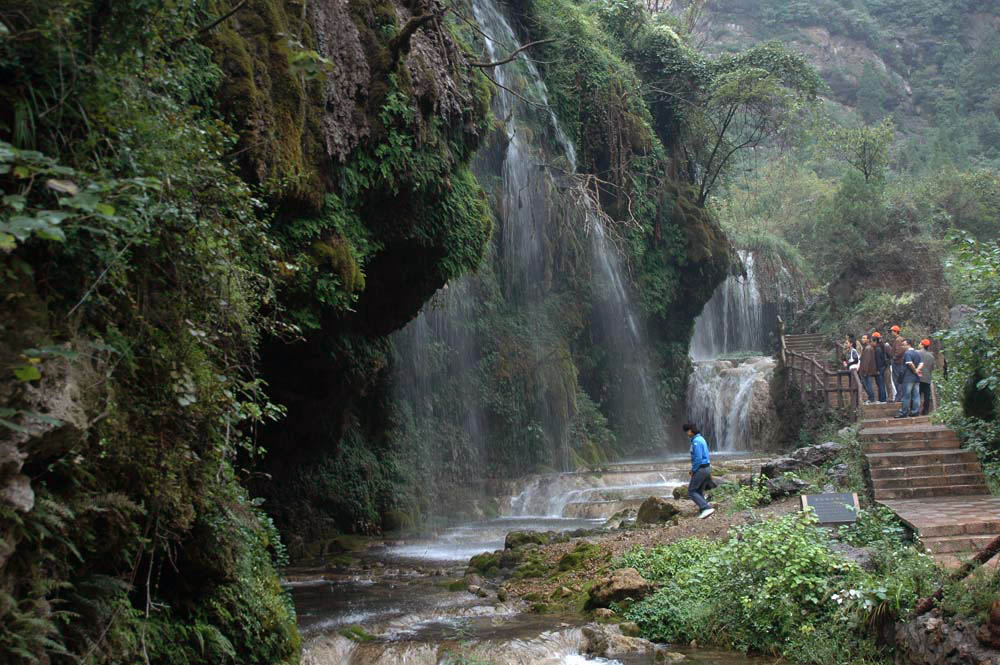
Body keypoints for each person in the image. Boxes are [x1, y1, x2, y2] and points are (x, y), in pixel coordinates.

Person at [683, 423, 715, 519]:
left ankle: (706, 508)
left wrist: (693, 470)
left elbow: (698, 458)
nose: (687, 434)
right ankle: (703, 510)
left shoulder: (696, 441)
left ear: (691, 430)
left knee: (692, 491)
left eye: (687, 431)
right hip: (706, 468)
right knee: (699, 490)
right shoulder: (701, 439)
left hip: (701, 469)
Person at [896, 339, 924, 418]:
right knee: (916, 395)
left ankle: (903, 412)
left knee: (906, 396)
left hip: (908, 378)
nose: (903, 346)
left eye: (904, 345)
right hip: (916, 379)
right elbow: (922, 363)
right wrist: (918, 370)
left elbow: (909, 363)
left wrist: (915, 370)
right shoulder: (916, 353)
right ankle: (915, 411)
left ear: (909, 345)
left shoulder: (907, 353)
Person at [917, 338, 936, 415]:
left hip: (918, 377)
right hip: (927, 378)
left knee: (917, 395)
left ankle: (915, 410)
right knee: (926, 396)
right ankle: (926, 411)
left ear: (922, 345)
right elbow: (932, 368)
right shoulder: (931, 356)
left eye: (920, 343)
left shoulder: (917, 353)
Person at [889, 325, 906, 402]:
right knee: (898, 379)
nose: (891, 333)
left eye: (892, 331)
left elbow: (899, 351)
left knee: (897, 379)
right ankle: (900, 395)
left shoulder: (898, 340)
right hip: (899, 362)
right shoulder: (900, 339)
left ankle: (899, 396)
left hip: (897, 362)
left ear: (895, 331)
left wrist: (894, 358)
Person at [858, 334, 878, 404]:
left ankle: (871, 399)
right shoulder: (867, 348)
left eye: (864, 338)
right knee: (867, 385)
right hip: (866, 370)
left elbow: (867, 361)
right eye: (862, 338)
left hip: (867, 371)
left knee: (868, 385)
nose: (862, 339)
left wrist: (865, 371)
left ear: (868, 340)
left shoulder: (868, 348)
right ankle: (871, 398)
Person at [871, 331, 889, 402]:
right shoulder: (882, 346)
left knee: (880, 384)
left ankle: (882, 399)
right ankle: (882, 399)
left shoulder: (878, 349)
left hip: (879, 368)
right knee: (881, 384)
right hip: (882, 367)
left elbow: (878, 360)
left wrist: (877, 370)